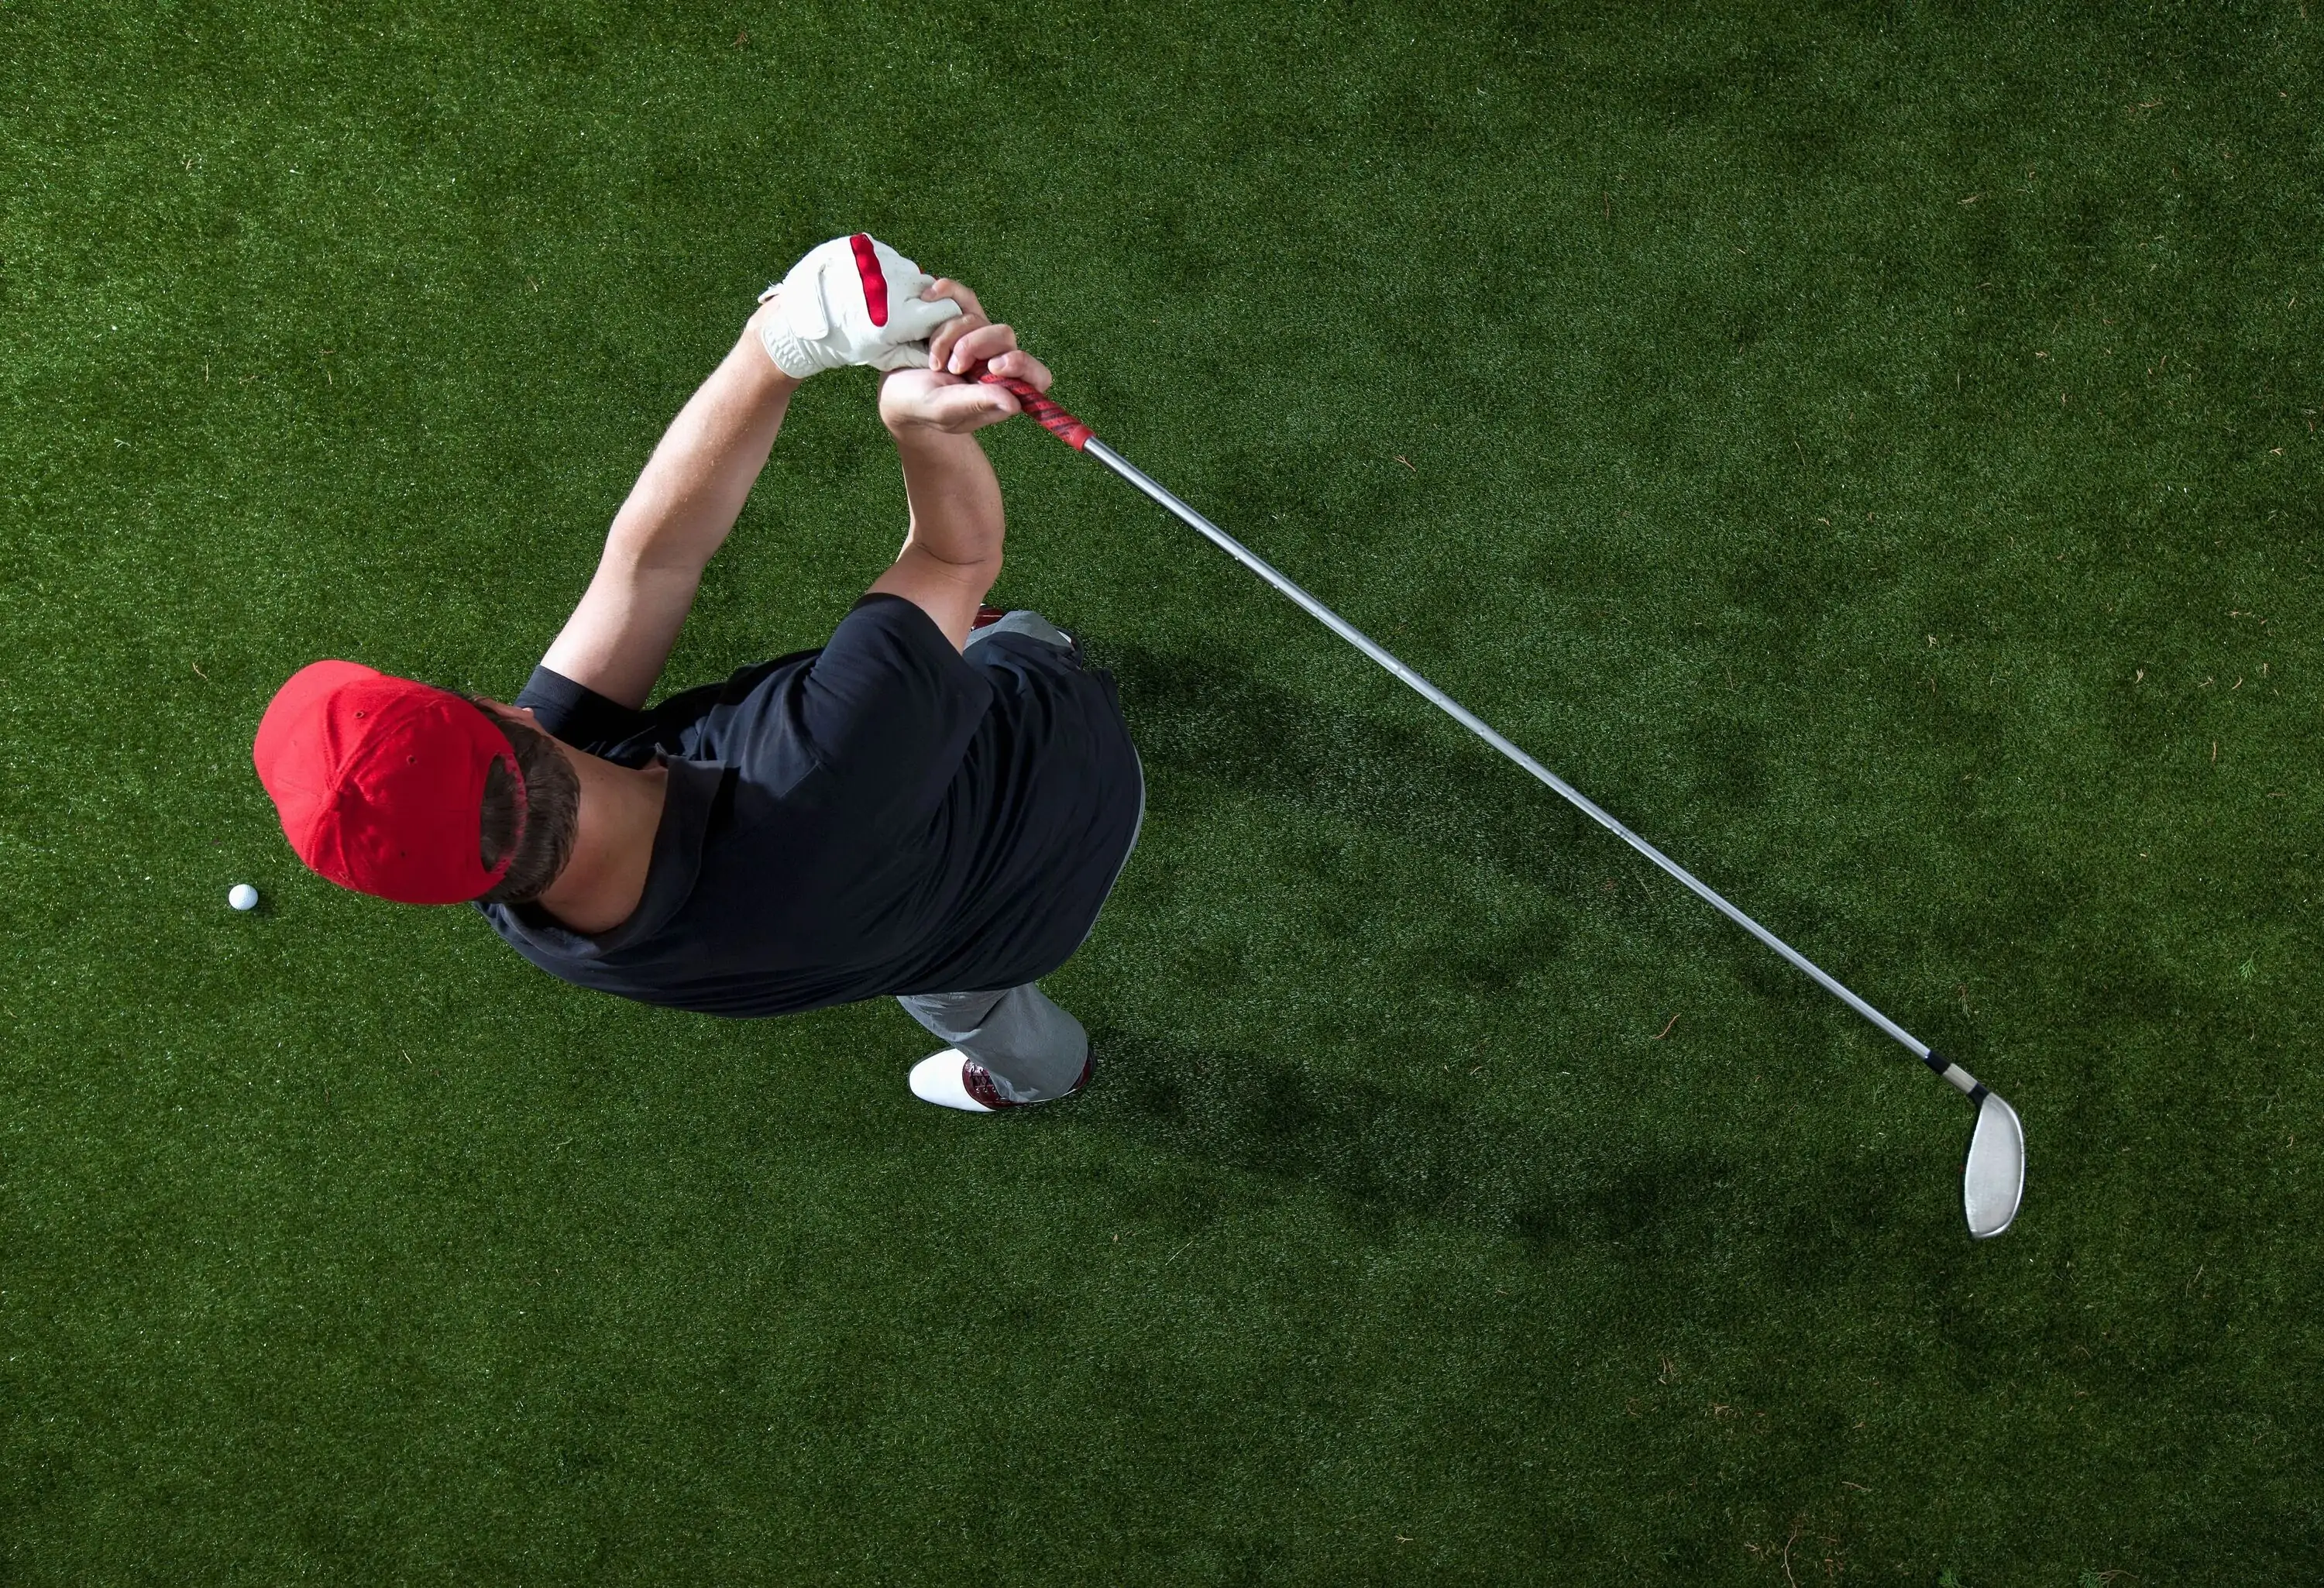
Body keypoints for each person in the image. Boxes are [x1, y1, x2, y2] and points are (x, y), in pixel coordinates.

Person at [252, 235, 1143, 1112]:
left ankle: (1048, 1076)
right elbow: (954, 557)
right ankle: (999, 652)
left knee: (970, 1007)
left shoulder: (520, 893)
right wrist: (912, 422)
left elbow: (652, 565)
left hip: (964, 951)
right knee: (999, 639)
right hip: (1069, 766)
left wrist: (782, 343)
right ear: (506, 716)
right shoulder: (814, 758)